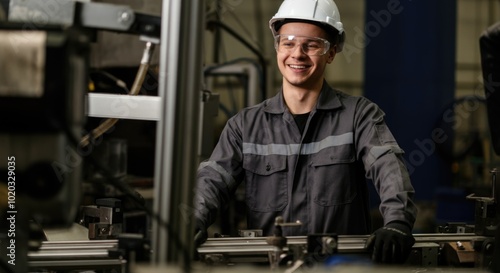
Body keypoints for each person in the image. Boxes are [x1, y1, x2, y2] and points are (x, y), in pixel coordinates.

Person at [194, 0, 418, 264]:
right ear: (278, 47)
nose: (297, 54)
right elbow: (213, 179)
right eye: (288, 42)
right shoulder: (244, 126)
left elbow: (387, 165)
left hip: (339, 266)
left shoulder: (359, 116)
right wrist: (191, 220)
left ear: (331, 52)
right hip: (269, 266)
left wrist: (397, 221)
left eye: (311, 45)